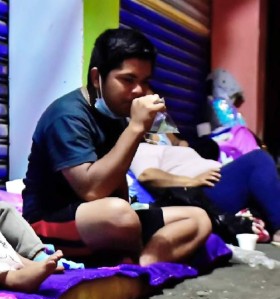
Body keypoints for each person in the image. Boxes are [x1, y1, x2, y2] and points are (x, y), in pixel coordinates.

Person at [22, 28, 212, 266]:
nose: (138, 91)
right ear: (96, 78)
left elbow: (118, 178)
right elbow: (92, 191)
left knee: (198, 219)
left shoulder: (117, 114)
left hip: (105, 217)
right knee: (121, 216)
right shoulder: (67, 116)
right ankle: (131, 255)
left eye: (144, 82)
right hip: (49, 222)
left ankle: (143, 264)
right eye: (128, 80)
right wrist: (135, 128)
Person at [130, 141, 280, 243]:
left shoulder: (172, 147)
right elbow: (147, 174)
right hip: (201, 193)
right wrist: (191, 181)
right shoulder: (142, 148)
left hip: (215, 182)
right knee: (258, 158)